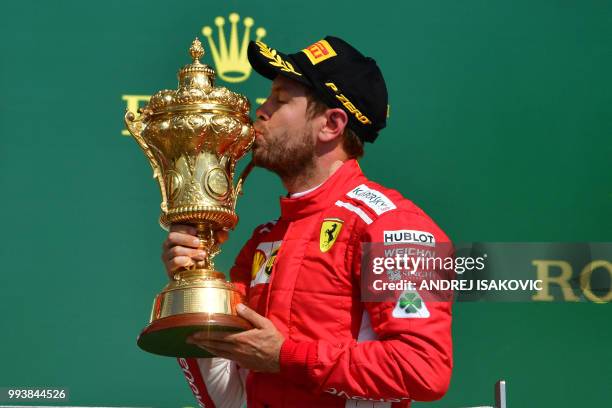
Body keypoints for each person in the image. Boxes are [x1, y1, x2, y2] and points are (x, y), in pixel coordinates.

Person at [162, 36, 453, 408]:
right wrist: (192, 285)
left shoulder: (391, 226)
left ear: (331, 124)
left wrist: (286, 356)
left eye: (280, 100)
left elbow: (423, 369)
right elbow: (230, 397)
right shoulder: (263, 240)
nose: (260, 111)